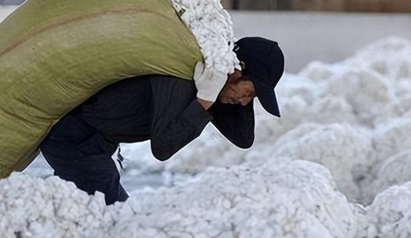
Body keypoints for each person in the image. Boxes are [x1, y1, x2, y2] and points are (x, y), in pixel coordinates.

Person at [39, 37, 284, 205]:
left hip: (96, 144)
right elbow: (163, 147)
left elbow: (243, 138)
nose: (245, 102)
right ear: (238, 68)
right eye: (250, 93)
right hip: (76, 140)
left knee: (85, 211)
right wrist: (205, 101)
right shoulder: (180, 75)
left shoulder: (210, 81)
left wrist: (225, 85)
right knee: (117, 220)